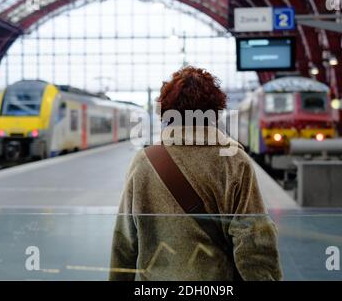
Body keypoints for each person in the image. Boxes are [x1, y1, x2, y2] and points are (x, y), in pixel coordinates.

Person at [110, 66, 282, 281]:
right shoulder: (234, 161)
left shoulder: (144, 162)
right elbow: (253, 241)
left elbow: (124, 241)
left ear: (166, 111)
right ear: (215, 110)